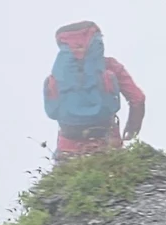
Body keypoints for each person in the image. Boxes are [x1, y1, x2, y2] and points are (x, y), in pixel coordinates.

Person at [42, 21, 145, 159]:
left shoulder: (58, 75)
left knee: (67, 178)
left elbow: (52, 110)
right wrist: (132, 128)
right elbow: (138, 99)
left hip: (68, 146)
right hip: (107, 141)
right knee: (112, 176)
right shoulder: (110, 66)